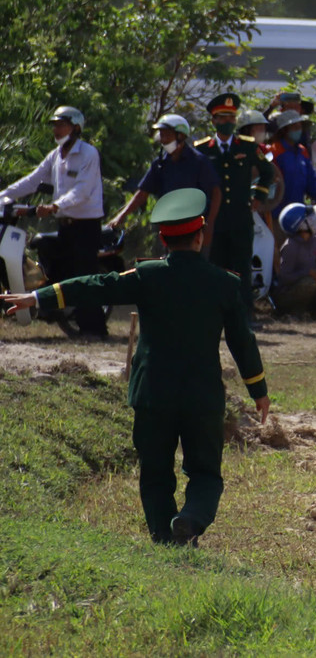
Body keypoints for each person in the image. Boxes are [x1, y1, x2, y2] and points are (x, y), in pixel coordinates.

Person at [3, 188, 269, 547]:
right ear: (200, 236)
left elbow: (96, 285)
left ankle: (163, 534)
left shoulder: (147, 275)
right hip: (202, 398)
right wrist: (258, 390)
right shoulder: (225, 283)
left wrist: (37, 296)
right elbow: (242, 342)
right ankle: (189, 519)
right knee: (205, 472)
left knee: (155, 473)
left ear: (162, 239)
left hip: (152, 395)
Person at [0, 106, 106, 337]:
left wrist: (54, 206)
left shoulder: (88, 154)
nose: (56, 130)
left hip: (85, 227)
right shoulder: (56, 155)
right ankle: (47, 306)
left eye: (62, 125)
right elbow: (33, 180)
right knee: (50, 260)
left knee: (84, 276)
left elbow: (82, 191)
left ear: (76, 128)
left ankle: (94, 329)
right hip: (65, 226)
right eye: (55, 125)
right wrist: (4, 195)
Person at [195, 93, 278, 309]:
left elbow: (268, 172)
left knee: (241, 266)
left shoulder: (247, 146)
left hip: (241, 218)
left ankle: (244, 316)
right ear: (213, 120)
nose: (228, 122)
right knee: (216, 266)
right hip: (216, 219)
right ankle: (216, 314)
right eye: (223, 118)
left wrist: (258, 196)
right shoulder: (203, 149)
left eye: (232, 118)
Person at [109, 115, 221, 236]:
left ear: (181, 136)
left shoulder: (199, 162)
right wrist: (121, 216)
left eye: (167, 135)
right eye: (161, 135)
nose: (163, 140)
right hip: (169, 228)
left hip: (195, 228)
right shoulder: (160, 164)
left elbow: (216, 193)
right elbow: (142, 194)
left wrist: (210, 224)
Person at [272, 202, 316, 317]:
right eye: (310, 219)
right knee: (309, 283)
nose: (314, 221)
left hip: (311, 286)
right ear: (301, 225)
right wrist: (307, 274)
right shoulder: (290, 246)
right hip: (289, 293)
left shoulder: (315, 241)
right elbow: (284, 277)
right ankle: (295, 312)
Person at [266, 110, 316, 222]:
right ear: (285, 130)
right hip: (277, 214)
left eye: (299, 127)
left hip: (297, 212)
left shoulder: (302, 151)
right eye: (294, 127)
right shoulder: (274, 151)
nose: (298, 130)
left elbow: (311, 178)